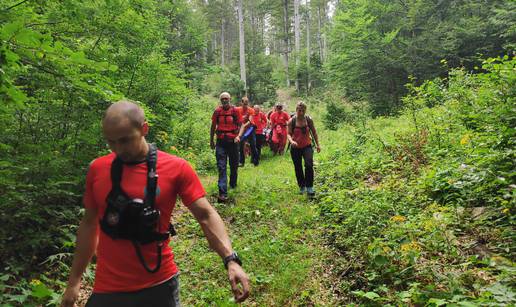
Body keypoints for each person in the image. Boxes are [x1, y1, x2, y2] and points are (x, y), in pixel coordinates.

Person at [61, 101, 249, 307]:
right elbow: (89, 225)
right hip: (108, 288)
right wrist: (74, 281)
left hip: (159, 284)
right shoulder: (98, 169)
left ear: (144, 129)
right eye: (111, 142)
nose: (117, 149)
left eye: (124, 140)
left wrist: (230, 259)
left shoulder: (176, 168)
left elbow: (205, 215)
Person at [210, 92, 242, 203]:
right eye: (222, 99)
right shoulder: (217, 112)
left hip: (233, 142)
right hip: (221, 142)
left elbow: (241, 125)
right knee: (221, 166)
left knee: (233, 166)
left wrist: (238, 136)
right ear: (220, 100)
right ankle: (223, 193)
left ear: (230, 99)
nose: (224, 100)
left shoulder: (235, 111)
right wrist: (211, 141)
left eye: (226, 98)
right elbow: (213, 126)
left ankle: (233, 184)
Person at [287, 101, 321, 197]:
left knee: (309, 164)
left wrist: (318, 145)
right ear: (296, 110)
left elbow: (314, 132)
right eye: (298, 110)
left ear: (305, 110)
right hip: (295, 148)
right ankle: (302, 186)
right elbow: (288, 134)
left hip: (307, 146)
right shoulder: (291, 121)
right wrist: (291, 141)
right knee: (298, 167)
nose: (300, 112)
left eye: (302, 110)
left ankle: (309, 187)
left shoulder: (308, 120)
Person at [235, 97, 256, 167]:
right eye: (244, 104)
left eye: (247, 104)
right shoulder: (237, 109)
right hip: (241, 129)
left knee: (253, 145)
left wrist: (244, 125)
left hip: (250, 129)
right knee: (241, 145)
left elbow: (250, 120)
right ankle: (241, 162)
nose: (245, 106)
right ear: (241, 103)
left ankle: (255, 160)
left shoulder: (251, 110)